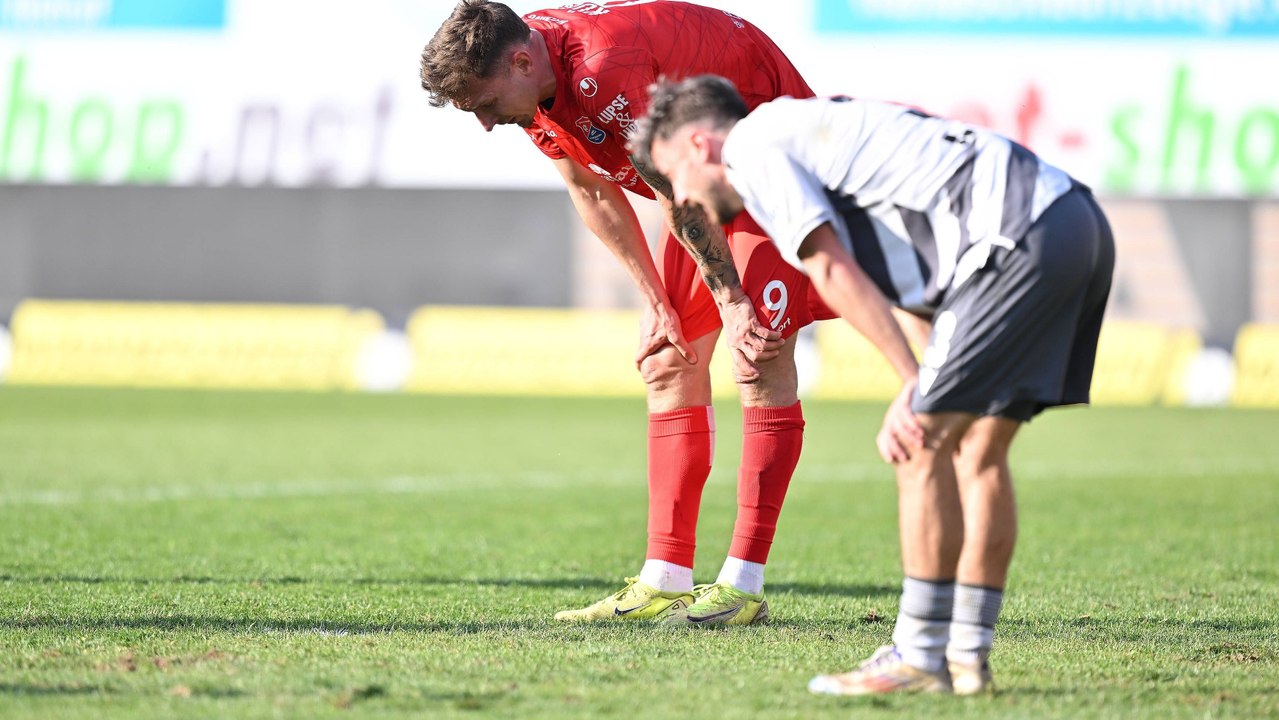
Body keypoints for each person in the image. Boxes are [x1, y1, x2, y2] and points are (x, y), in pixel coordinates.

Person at [633, 75, 1114, 693]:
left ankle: (917, 655)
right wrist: (925, 373)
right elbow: (918, 286)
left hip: (1013, 236)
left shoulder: (752, 147)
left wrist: (915, 384)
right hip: (1072, 222)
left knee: (918, 443)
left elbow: (829, 266)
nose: (680, 201)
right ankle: (966, 659)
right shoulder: (814, 135)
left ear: (699, 145)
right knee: (978, 450)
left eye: (674, 180)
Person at [419, 2, 837, 626]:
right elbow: (589, 188)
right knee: (670, 358)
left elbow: (678, 191)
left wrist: (731, 303)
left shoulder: (605, 66)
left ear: (522, 61)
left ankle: (742, 585)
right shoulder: (532, 75)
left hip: (768, 162)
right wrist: (655, 301)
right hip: (697, 186)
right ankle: (665, 578)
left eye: (482, 104)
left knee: (758, 355)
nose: (484, 123)